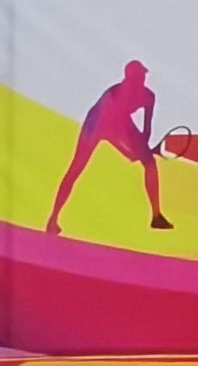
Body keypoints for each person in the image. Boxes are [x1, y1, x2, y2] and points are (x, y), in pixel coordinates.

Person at [45, 61, 171, 236]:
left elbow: (146, 129)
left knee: (149, 162)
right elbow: (106, 132)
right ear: (127, 78)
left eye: (142, 76)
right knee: (76, 168)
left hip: (121, 119)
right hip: (97, 123)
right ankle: (53, 219)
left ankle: (157, 216)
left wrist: (143, 149)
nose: (141, 80)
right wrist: (127, 152)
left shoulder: (148, 96)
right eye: (137, 77)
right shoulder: (114, 95)